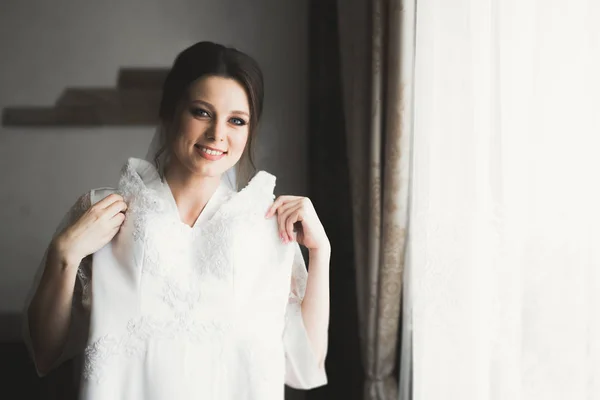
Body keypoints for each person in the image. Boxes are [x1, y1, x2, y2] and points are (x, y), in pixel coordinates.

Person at [22, 41, 329, 399]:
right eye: (201, 112)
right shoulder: (103, 214)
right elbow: (45, 352)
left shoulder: (265, 225)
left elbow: (304, 366)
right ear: (170, 112)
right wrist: (65, 254)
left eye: (236, 120)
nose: (217, 134)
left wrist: (321, 251)